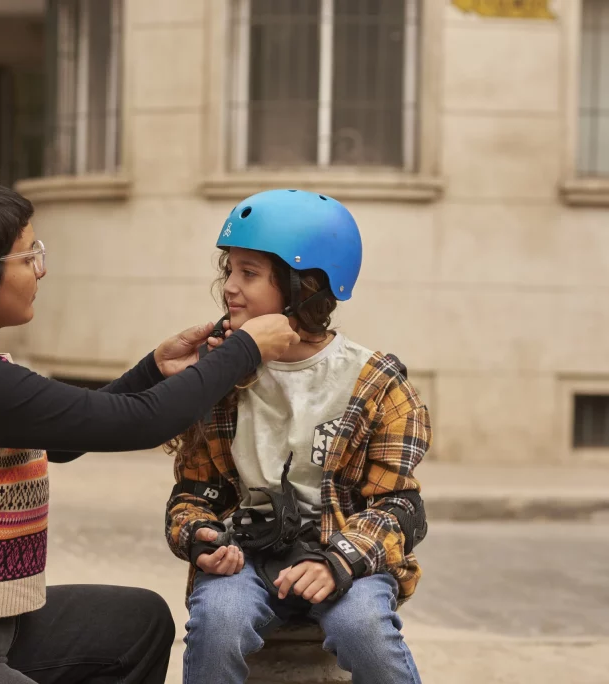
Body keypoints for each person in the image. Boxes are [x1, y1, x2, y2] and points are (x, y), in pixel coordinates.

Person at [0, 179, 300, 684]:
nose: (41, 269)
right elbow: (141, 423)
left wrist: (152, 370)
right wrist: (246, 349)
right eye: (28, 256)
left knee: (136, 625)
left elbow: (63, 442)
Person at [164, 189, 431, 684]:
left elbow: (398, 506)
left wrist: (340, 561)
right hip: (245, 554)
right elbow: (193, 494)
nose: (229, 287)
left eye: (249, 273)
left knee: (363, 628)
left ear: (303, 286)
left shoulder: (376, 382)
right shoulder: (220, 375)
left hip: (343, 550)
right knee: (218, 621)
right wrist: (199, 535)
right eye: (229, 270)